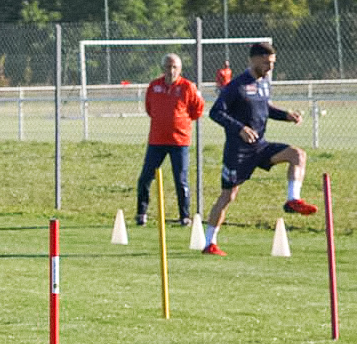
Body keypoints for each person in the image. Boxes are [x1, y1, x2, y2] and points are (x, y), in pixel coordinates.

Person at [200, 42, 315, 256]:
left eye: (272, 63)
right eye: (265, 63)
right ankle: (209, 243)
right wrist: (239, 128)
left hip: (260, 147)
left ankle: (292, 200)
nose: (269, 67)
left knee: (297, 154)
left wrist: (285, 115)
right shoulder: (236, 85)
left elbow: (264, 107)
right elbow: (216, 112)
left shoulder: (264, 83)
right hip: (238, 152)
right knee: (228, 196)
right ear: (252, 60)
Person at [134, 53, 204, 227]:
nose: (171, 70)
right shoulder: (154, 86)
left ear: (180, 69)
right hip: (156, 141)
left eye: (174, 67)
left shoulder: (188, 87)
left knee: (180, 180)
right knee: (145, 178)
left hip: (179, 142)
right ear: (163, 68)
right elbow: (150, 108)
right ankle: (141, 214)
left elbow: (197, 110)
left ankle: (184, 216)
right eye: (168, 67)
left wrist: (180, 123)